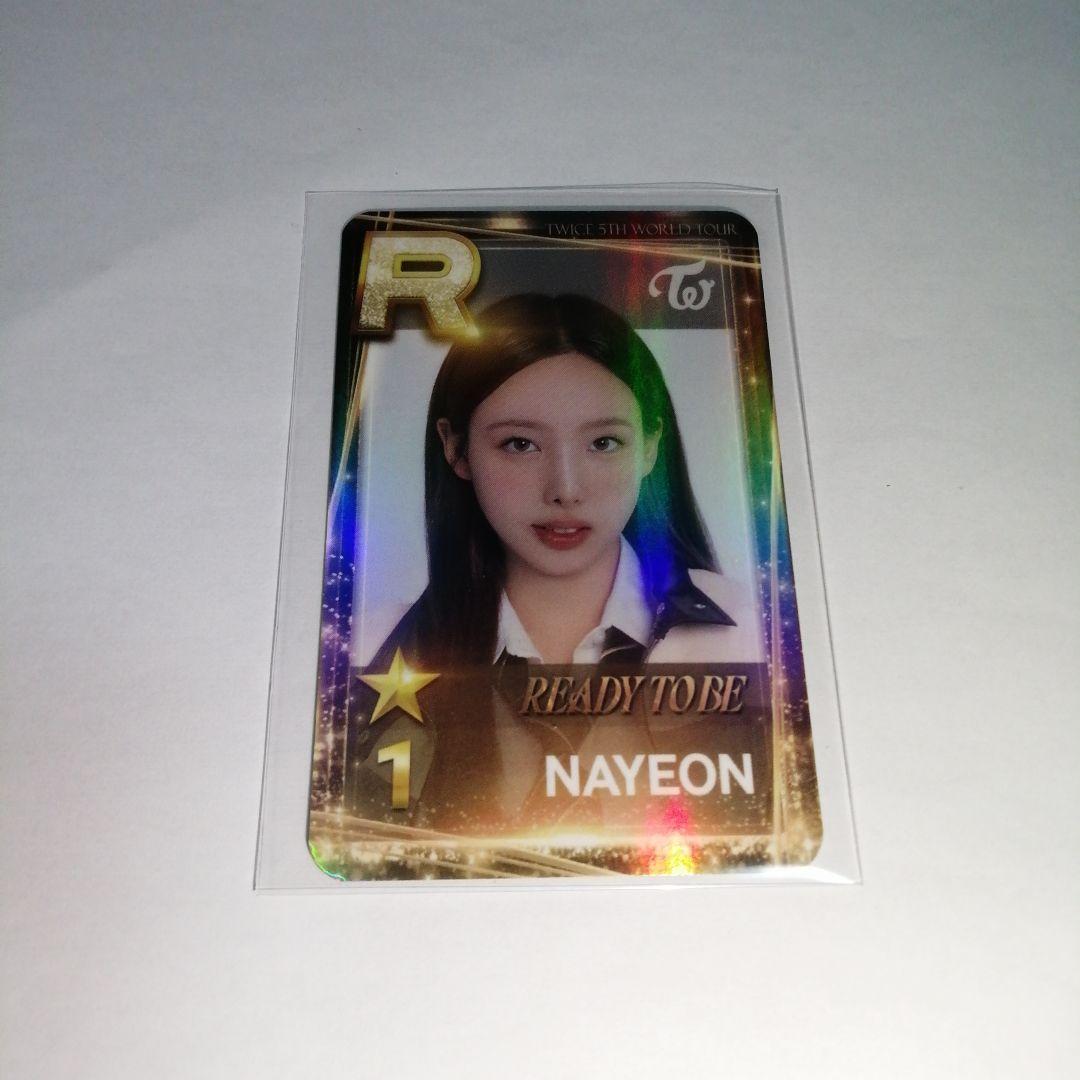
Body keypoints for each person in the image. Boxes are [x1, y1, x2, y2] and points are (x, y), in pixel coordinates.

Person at [370, 292, 757, 673]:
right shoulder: (372, 645)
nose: (566, 491)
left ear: (650, 446)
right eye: (520, 444)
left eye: (603, 443)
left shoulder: (752, 628)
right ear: (456, 449)